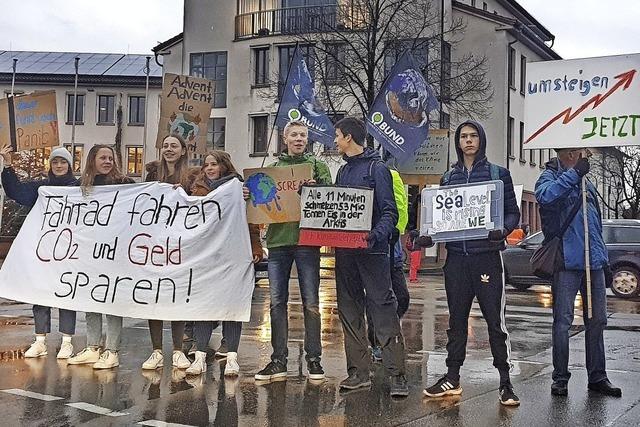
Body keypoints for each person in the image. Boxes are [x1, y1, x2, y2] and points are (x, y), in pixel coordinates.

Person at [418, 121, 521, 406]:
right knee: (456, 321)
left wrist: (503, 229)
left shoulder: (498, 174)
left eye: (473, 135)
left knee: (495, 323)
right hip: (456, 261)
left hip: (486, 258)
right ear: (458, 142)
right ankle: (452, 376)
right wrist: (427, 238)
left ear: (481, 139)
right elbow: (439, 221)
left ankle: (505, 382)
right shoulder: (448, 178)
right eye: (463, 136)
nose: (468, 140)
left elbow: (513, 214)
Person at [535, 148, 621, 397]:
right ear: (567, 153)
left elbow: (595, 224)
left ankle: (598, 376)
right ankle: (560, 378)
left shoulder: (589, 184)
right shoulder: (549, 176)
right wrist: (573, 174)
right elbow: (546, 197)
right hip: (567, 262)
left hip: (592, 263)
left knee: (598, 320)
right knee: (563, 322)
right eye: (577, 151)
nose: (584, 155)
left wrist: (602, 259)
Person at [332, 117, 408, 397]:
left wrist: (375, 235)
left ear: (349, 138)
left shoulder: (378, 170)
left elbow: (391, 213)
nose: (335, 140)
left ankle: (397, 374)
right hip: (345, 253)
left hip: (373, 252)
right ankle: (357, 372)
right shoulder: (341, 172)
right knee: (349, 310)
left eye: (338, 136)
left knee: (383, 309)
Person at [253, 120, 332, 382]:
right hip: (278, 242)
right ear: (284, 138)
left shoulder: (318, 167)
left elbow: (330, 199)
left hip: (307, 241)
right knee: (277, 302)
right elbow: (259, 200)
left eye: (303, 135)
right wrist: (248, 193)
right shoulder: (273, 170)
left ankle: (314, 360)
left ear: (307, 140)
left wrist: (315, 188)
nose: (299, 139)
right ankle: (278, 360)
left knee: (312, 302)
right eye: (294, 135)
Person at [185, 150, 263, 377]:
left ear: (224, 166)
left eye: (214, 164)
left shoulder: (239, 188)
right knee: (204, 306)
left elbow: (250, 219)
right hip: (206, 255)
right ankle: (199, 355)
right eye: (206, 164)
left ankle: (232, 357)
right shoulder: (197, 190)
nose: (209, 168)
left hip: (233, 253)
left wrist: (256, 246)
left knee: (233, 306)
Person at [1, 145, 79, 359]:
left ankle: (67, 341)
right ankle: (40, 340)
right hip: (44, 251)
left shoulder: (78, 187)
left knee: (66, 293)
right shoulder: (41, 188)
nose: (59, 165)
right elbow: (15, 191)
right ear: (50, 165)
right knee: (40, 293)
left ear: (70, 165)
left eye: (63, 162)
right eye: (55, 162)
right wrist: (8, 165)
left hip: (68, 251)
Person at [67, 144, 135, 369]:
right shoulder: (81, 186)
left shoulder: (124, 184)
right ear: (92, 161)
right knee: (91, 297)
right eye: (103, 158)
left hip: (115, 252)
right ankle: (93, 346)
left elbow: (144, 200)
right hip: (90, 253)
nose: (108, 161)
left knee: (111, 299)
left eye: (111, 158)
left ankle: (112, 350)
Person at [141, 134, 199, 371]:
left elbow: (202, 201)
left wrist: (185, 195)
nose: (168, 149)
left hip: (181, 244)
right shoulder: (153, 175)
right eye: (165, 146)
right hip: (155, 243)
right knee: (154, 296)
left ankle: (177, 350)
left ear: (184, 150)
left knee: (176, 295)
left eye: (174, 145)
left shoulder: (193, 175)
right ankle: (156, 351)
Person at [367, 161, 410, 362]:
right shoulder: (372, 172)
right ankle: (377, 342)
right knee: (377, 299)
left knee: (402, 297)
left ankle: (387, 333)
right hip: (378, 244)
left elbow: (399, 207)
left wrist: (399, 231)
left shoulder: (393, 175)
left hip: (394, 244)